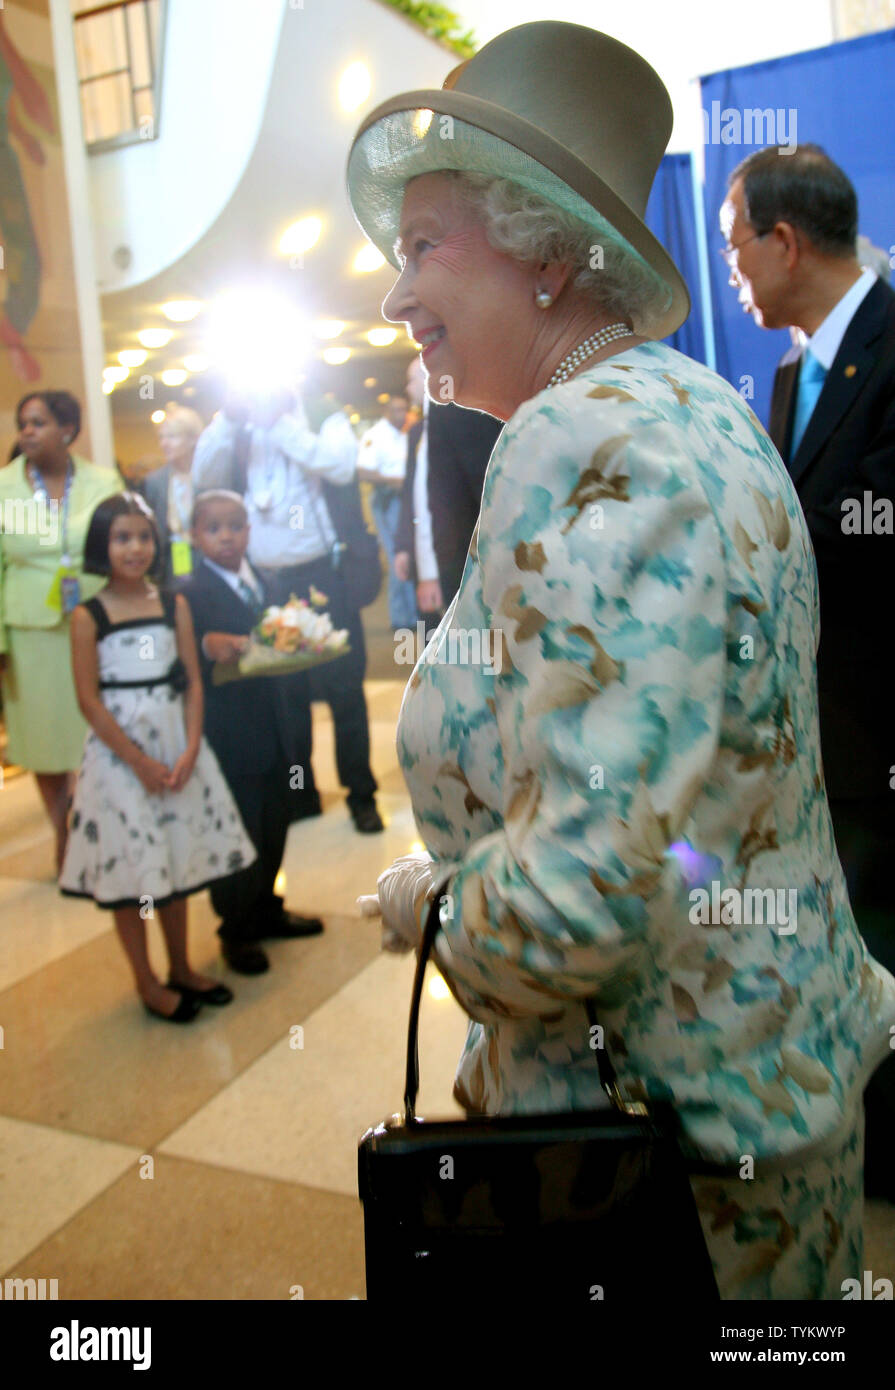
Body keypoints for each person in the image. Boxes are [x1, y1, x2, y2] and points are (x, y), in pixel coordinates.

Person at [348, 20, 895, 1298]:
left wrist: (428, 904)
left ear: (543, 253)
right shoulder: (690, 404)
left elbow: (579, 897)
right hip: (767, 1090)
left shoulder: (582, 440)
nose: (394, 291)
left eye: (423, 245)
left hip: (674, 1151)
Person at [720, 145, 895, 1200]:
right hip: (828, 724)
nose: (730, 267)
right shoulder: (791, 369)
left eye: (736, 240)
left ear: (783, 240)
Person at [59, 493, 256, 1021]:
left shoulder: (175, 605)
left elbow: (192, 678)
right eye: (122, 538)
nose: (135, 548)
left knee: (175, 857)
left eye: (144, 537)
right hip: (121, 760)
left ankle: (181, 966)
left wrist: (191, 745)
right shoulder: (88, 614)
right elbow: (87, 699)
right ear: (102, 544)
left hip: (176, 746)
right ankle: (146, 981)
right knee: (133, 872)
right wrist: (139, 763)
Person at [193, 390, 384, 834]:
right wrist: (229, 417)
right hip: (266, 583)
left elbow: (339, 465)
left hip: (324, 576)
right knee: (286, 696)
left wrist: (278, 421)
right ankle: (301, 797)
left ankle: (361, 796)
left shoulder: (318, 410)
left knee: (344, 692)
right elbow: (204, 475)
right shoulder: (236, 422)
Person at [179, 490, 324, 976]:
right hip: (230, 734)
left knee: (275, 821)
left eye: (236, 526)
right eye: (214, 527)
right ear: (194, 535)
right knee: (238, 827)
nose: (227, 536)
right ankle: (235, 927)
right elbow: (178, 659)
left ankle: (266, 905)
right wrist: (204, 644)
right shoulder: (189, 591)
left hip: (278, 726)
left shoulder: (266, 578)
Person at [0, 391, 121, 871]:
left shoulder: (101, 481)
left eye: (38, 422)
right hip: (31, 631)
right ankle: (64, 832)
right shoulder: (4, 487)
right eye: (22, 423)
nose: (27, 431)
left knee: (97, 734)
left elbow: (121, 548)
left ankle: (99, 824)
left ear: (68, 430)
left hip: (93, 623)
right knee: (42, 741)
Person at [395, 357, 502, 625]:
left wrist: (432, 572)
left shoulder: (462, 417)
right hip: (435, 553)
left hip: (458, 557)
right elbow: (413, 495)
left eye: (413, 380)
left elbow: (438, 501)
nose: (408, 388)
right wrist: (404, 545)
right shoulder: (418, 432)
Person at [357, 394, 417, 630]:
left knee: (405, 555)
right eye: (397, 410)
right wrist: (393, 481)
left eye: (405, 409)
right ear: (386, 412)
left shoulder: (402, 435)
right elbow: (362, 472)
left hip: (403, 500)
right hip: (387, 500)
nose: (402, 414)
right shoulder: (375, 436)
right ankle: (400, 617)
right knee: (396, 557)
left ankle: (410, 613)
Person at [141, 405, 205, 584]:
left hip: (209, 561)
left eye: (172, 437)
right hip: (171, 565)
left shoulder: (210, 477)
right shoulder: (154, 481)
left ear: (193, 439)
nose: (164, 444)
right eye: (162, 437)